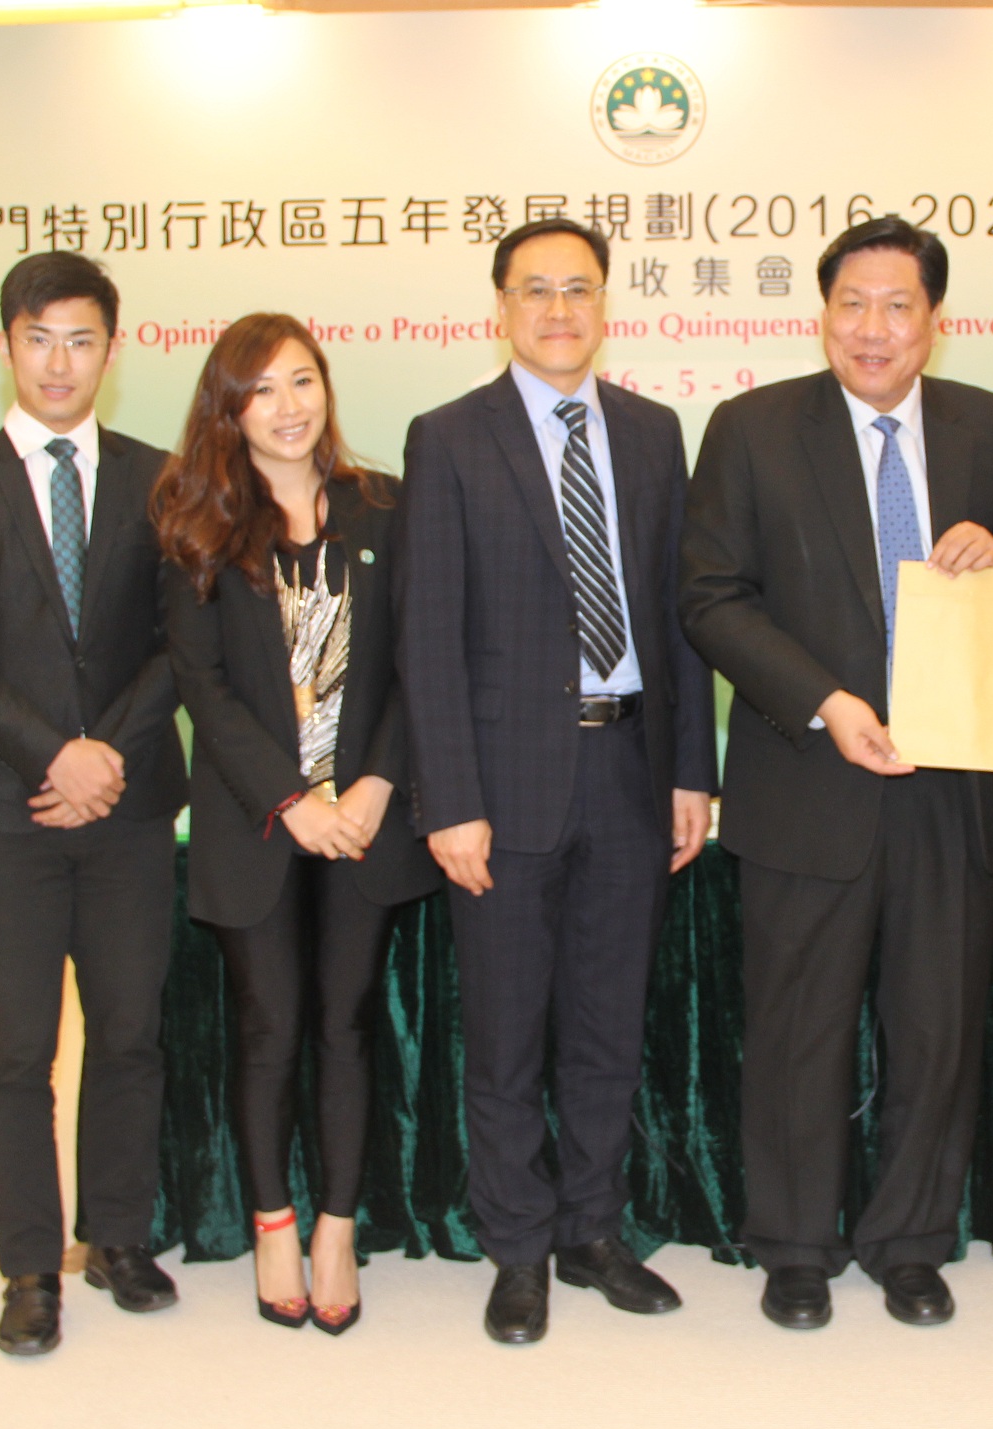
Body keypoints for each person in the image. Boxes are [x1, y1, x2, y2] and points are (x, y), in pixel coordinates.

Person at [679, 216, 993, 1331]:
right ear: (823, 314)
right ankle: (796, 1245)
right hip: (809, 774)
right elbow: (710, 597)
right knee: (799, 1028)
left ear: (936, 320)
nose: (873, 328)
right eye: (852, 303)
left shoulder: (990, 426)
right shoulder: (752, 429)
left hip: (950, 781)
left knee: (936, 1029)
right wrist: (826, 700)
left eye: (898, 306)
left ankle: (910, 1241)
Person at [398, 218, 718, 1346]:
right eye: (534, 289)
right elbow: (428, 636)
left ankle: (591, 1230)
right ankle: (518, 1246)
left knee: (606, 1025)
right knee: (505, 1034)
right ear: (500, 305)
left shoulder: (652, 431)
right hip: (503, 783)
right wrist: (450, 800)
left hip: (631, 767)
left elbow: (680, 617)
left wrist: (692, 770)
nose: (557, 310)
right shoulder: (449, 437)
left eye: (577, 288)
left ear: (605, 302)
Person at [0, 253, 185, 1356]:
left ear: (111, 350)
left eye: (80, 340)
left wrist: (104, 756)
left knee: (130, 1031)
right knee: (17, 1050)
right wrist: (53, 756)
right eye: (38, 338)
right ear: (6, 345)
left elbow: (181, 642)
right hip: (5, 812)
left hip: (128, 806)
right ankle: (28, 1267)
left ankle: (116, 1235)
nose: (59, 362)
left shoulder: (159, 479)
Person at [155, 314, 438, 1335]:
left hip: (366, 821)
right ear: (228, 410)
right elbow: (204, 686)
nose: (288, 407)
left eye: (303, 380)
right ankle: (273, 1220)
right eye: (262, 389)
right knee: (270, 1024)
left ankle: (335, 1229)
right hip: (259, 822)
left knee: (345, 1024)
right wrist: (291, 800)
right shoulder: (198, 522)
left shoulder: (385, 508)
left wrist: (376, 786)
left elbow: (418, 661)